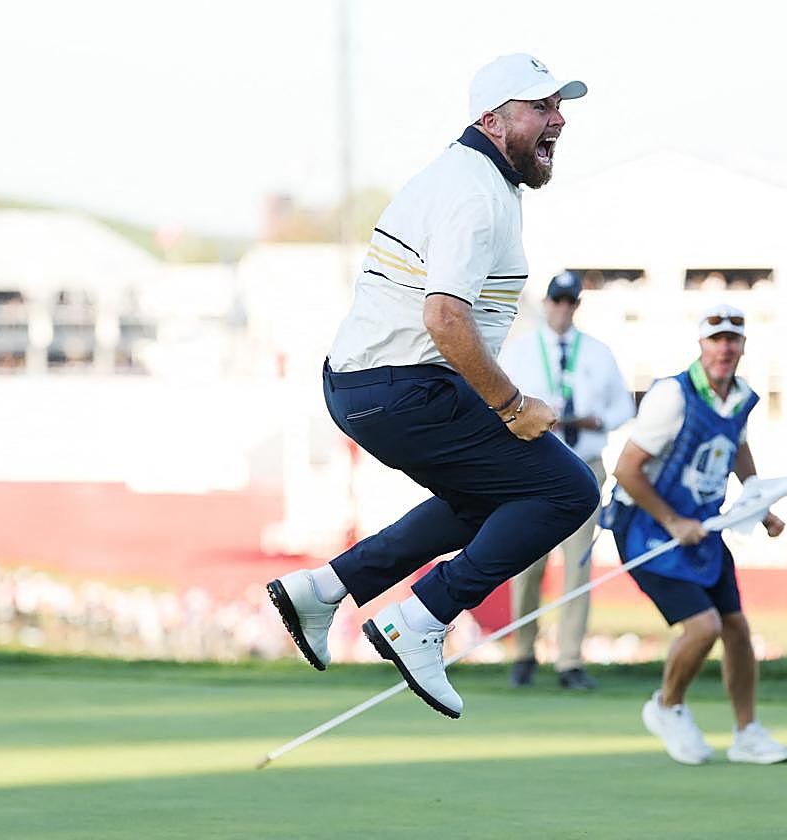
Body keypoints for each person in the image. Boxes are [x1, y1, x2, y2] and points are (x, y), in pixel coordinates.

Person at [267, 53, 597, 719]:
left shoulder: (476, 178)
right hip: (400, 386)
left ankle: (325, 589)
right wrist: (511, 405)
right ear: (493, 120)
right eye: (541, 108)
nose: (558, 119)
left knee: (490, 502)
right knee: (568, 490)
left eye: (559, 106)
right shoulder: (475, 195)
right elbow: (444, 315)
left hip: (366, 384)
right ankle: (422, 618)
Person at [608, 303, 787, 764]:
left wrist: (759, 504)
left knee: (736, 627)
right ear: (701, 345)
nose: (724, 348)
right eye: (716, 339)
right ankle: (667, 706)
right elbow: (626, 470)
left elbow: (737, 450)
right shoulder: (671, 396)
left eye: (733, 338)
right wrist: (672, 521)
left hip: (703, 529)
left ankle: (747, 732)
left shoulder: (741, 396)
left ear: (743, 346)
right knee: (704, 626)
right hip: (647, 529)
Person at [499, 271, 634, 690]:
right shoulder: (520, 352)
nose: (562, 308)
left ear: (577, 305)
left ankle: (569, 660)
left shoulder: (597, 352)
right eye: (556, 300)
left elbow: (623, 406)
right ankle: (524, 653)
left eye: (569, 301)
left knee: (577, 566)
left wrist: (598, 422)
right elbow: (500, 405)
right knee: (527, 565)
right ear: (546, 303)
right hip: (535, 467)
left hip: (585, 461)